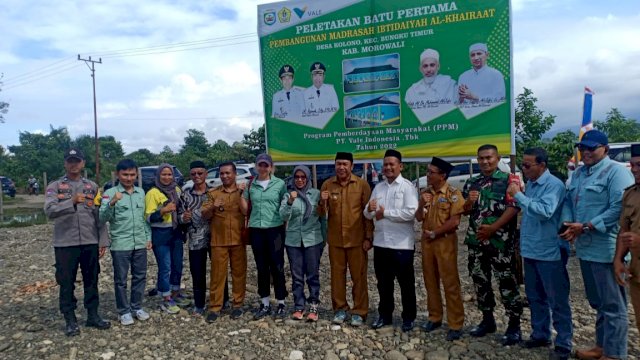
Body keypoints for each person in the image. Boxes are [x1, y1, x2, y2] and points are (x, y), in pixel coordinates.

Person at [560, 130, 633, 360]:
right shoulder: (580, 173)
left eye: (592, 148)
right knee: (598, 302)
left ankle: (615, 354)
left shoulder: (617, 173)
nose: (586, 152)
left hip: (607, 249)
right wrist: (569, 224)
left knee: (613, 305)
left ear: (606, 149)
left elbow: (619, 208)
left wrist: (588, 225)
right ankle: (601, 346)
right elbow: (570, 201)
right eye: (583, 148)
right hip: (585, 248)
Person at [506, 148, 572, 360]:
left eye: (527, 165)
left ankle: (563, 342)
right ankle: (540, 333)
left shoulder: (554, 185)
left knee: (557, 300)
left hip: (550, 251)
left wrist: (518, 195)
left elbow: (544, 212)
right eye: (522, 165)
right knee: (535, 297)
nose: (524, 169)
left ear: (542, 165)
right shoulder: (533, 185)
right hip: (532, 250)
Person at [44, 148, 111, 336]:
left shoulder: (92, 187)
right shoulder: (55, 186)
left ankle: (93, 315)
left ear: (83, 163)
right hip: (65, 243)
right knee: (66, 282)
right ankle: (70, 319)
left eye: (77, 161)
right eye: (70, 161)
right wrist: (71, 202)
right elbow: (49, 211)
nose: (74, 164)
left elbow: (100, 215)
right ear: (65, 163)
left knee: (92, 279)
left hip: (89, 241)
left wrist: (103, 241)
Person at [462, 144, 522, 346]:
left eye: (489, 157)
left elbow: (514, 207)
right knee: (480, 281)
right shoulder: (472, 182)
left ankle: (514, 326)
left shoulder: (508, 180)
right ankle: (487, 320)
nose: (485, 161)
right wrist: (469, 203)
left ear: (497, 159)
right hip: (476, 242)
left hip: (500, 242)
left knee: (507, 283)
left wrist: (493, 228)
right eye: (481, 158)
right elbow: (465, 210)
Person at [365, 149, 419, 332]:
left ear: (400, 166)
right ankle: (385, 315)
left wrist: (384, 213)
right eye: (385, 164)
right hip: (381, 244)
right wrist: (369, 208)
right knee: (383, 284)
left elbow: (410, 213)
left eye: (391, 164)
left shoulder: (407, 187)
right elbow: (368, 213)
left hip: (401, 245)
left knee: (406, 283)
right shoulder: (378, 187)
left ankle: (409, 317)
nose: (388, 167)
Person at [318, 152, 373, 327]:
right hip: (335, 241)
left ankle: (359, 311)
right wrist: (322, 202)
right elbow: (321, 214)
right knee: (337, 277)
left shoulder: (362, 185)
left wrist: (368, 237)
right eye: (338, 164)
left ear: (352, 165)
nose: (341, 167)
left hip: (357, 240)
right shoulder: (327, 184)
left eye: (345, 164)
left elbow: (368, 214)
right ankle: (340, 308)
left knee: (359, 277)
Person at [415, 157, 465, 341]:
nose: (427, 175)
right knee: (430, 281)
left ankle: (456, 323)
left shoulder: (453, 194)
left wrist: (435, 233)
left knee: (450, 283)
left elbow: (455, 221)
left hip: (444, 242)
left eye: (431, 172)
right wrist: (421, 203)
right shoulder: (425, 193)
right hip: (427, 243)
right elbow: (419, 218)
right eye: (427, 171)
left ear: (442, 175)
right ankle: (434, 317)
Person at [99, 159, 152, 326]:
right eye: (125, 174)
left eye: (131, 174)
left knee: (140, 276)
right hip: (121, 244)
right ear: (117, 175)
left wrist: (148, 237)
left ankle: (136, 307)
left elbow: (144, 219)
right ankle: (124, 311)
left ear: (136, 175)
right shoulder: (110, 193)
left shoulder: (141, 192)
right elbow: (102, 218)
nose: (128, 178)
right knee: (121, 279)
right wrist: (112, 203)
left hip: (139, 243)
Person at [240, 153, 288, 320]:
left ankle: (281, 302)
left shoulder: (280, 184)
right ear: (256, 166)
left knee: (277, 266)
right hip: (256, 229)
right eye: (260, 165)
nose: (263, 168)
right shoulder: (250, 184)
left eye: (266, 165)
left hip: (275, 229)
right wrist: (242, 195)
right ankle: (265, 302)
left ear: (271, 167)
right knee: (261, 267)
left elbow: (285, 207)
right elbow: (245, 209)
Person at [178, 160, 229, 317]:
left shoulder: (215, 192)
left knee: (219, 271)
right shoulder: (185, 195)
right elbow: (179, 217)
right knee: (197, 272)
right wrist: (184, 218)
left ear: (206, 174)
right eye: (193, 174)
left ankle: (223, 300)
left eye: (200, 173)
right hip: (196, 239)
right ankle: (199, 304)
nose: (197, 176)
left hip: (216, 238)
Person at [202, 162, 248, 323]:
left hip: (238, 239)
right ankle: (215, 306)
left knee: (239, 273)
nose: (225, 176)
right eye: (222, 173)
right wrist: (212, 208)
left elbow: (247, 211)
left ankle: (238, 304)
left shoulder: (242, 191)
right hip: (219, 241)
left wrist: (242, 194)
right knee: (217, 275)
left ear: (235, 174)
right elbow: (204, 216)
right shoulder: (213, 193)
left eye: (228, 173)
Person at [279, 165, 326, 322]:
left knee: (313, 274)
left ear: (307, 178)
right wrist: (291, 201)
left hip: (312, 239)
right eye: (297, 177)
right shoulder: (288, 195)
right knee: (297, 275)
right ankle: (299, 305)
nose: (300, 180)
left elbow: (322, 215)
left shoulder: (316, 194)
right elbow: (283, 216)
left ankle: (313, 304)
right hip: (293, 241)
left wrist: (324, 238)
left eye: (303, 177)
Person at [145, 163, 189, 314]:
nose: (167, 177)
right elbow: (148, 217)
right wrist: (162, 211)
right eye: (163, 174)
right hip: (161, 235)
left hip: (176, 233)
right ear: (158, 176)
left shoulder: (177, 190)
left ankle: (175, 292)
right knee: (165, 267)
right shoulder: (152, 193)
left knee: (178, 265)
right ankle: (165, 298)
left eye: (169, 174)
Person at [614, 143, 640, 337]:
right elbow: (624, 231)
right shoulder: (630, 193)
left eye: (639, 165)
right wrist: (618, 259)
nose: (635, 170)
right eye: (632, 165)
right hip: (636, 270)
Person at [405, 49, 457, 123]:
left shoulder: (451, 85)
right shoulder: (411, 92)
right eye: (425, 66)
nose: (429, 70)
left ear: (438, 66)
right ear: (421, 69)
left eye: (432, 65)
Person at [302, 61, 340, 128]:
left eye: (320, 75)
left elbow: (336, 109)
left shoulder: (330, 89)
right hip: (312, 127)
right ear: (311, 77)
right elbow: (303, 114)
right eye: (315, 75)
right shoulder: (305, 93)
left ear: (324, 76)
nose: (317, 78)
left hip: (330, 126)